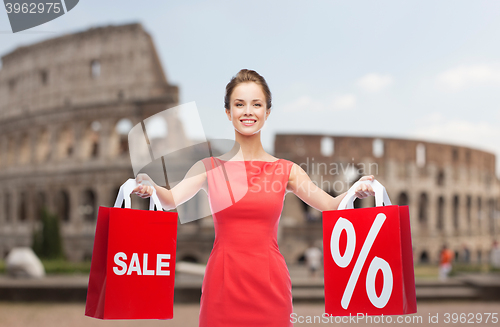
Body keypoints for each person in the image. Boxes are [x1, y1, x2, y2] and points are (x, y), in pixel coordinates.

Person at [132, 69, 375, 326]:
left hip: (271, 285)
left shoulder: (287, 170)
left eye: (256, 104)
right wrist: (151, 187)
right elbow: (171, 199)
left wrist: (353, 190)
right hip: (222, 286)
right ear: (228, 112)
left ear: (267, 112)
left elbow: (331, 206)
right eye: (239, 104)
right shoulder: (209, 167)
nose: (248, 111)